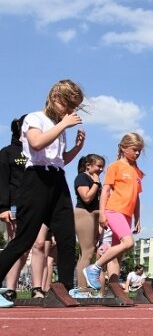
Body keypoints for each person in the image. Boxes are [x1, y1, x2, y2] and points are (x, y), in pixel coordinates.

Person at [0, 80, 86, 308]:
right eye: (68, 105)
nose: (71, 112)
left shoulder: (60, 125)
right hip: (35, 179)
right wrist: (63, 125)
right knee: (24, 239)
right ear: (56, 98)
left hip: (57, 179)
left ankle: (65, 289)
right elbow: (37, 143)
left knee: (67, 237)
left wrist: (76, 149)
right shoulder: (34, 118)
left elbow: (60, 160)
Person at [83, 132, 145, 291]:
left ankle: (114, 289)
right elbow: (105, 191)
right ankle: (95, 267)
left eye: (139, 150)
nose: (137, 153)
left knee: (118, 256)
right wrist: (102, 213)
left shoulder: (137, 172)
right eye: (134, 149)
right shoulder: (115, 166)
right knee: (128, 243)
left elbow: (136, 197)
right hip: (114, 210)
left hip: (127, 215)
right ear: (124, 148)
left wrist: (137, 218)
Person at [0, 115, 29, 303]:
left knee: (27, 249)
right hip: (14, 206)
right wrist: (3, 207)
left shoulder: (37, 152)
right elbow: (2, 181)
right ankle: (9, 289)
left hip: (34, 204)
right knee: (16, 245)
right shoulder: (7, 152)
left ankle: (12, 287)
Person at [72, 153, 105, 297]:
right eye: (98, 166)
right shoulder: (82, 178)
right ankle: (82, 289)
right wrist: (96, 183)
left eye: (102, 167)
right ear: (88, 165)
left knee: (86, 253)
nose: (101, 169)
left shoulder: (95, 179)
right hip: (84, 214)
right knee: (88, 252)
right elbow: (86, 198)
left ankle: (83, 287)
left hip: (95, 216)